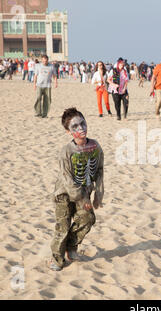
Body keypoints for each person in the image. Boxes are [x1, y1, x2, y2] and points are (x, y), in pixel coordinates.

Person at [49, 108, 104, 271]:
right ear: (68, 131)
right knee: (63, 226)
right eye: (75, 127)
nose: (81, 129)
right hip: (64, 194)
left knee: (87, 218)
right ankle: (57, 258)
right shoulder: (66, 151)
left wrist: (98, 193)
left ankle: (71, 247)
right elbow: (66, 178)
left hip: (85, 191)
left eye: (83, 123)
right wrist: (82, 198)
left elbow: (100, 170)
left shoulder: (95, 146)